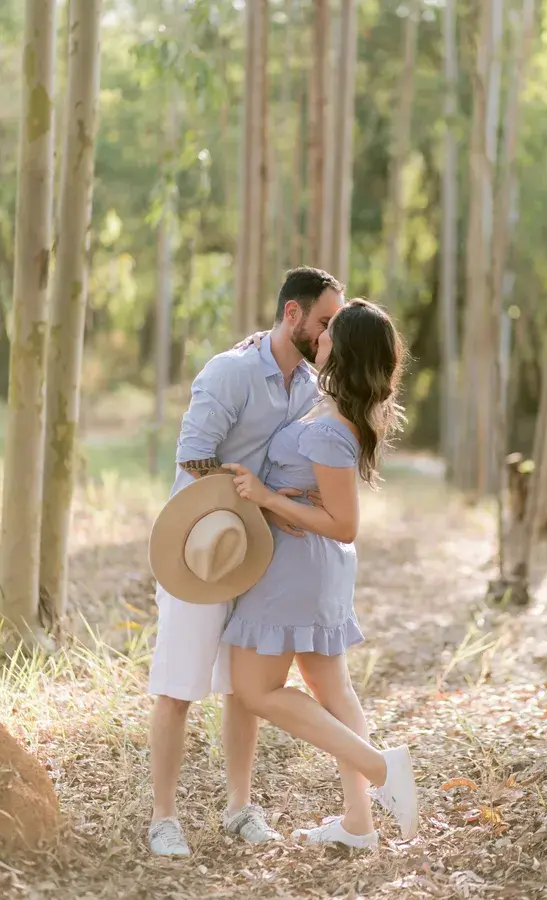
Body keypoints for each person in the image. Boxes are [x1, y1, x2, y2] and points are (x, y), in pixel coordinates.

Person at [147, 266, 344, 857]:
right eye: (324, 321)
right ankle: (163, 818)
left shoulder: (310, 386)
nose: (327, 333)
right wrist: (250, 488)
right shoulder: (230, 371)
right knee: (177, 686)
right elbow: (192, 457)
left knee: (244, 688)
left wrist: (286, 500)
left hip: (262, 553)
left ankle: (239, 807)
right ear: (292, 314)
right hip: (202, 548)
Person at [221, 299, 419, 849]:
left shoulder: (332, 426)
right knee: (333, 690)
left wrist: (266, 496)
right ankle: (359, 825)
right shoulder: (329, 407)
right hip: (310, 568)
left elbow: (344, 524)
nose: (321, 334)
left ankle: (380, 770)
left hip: (297, 571)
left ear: (345, 347)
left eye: (331, 329)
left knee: (254, 689)